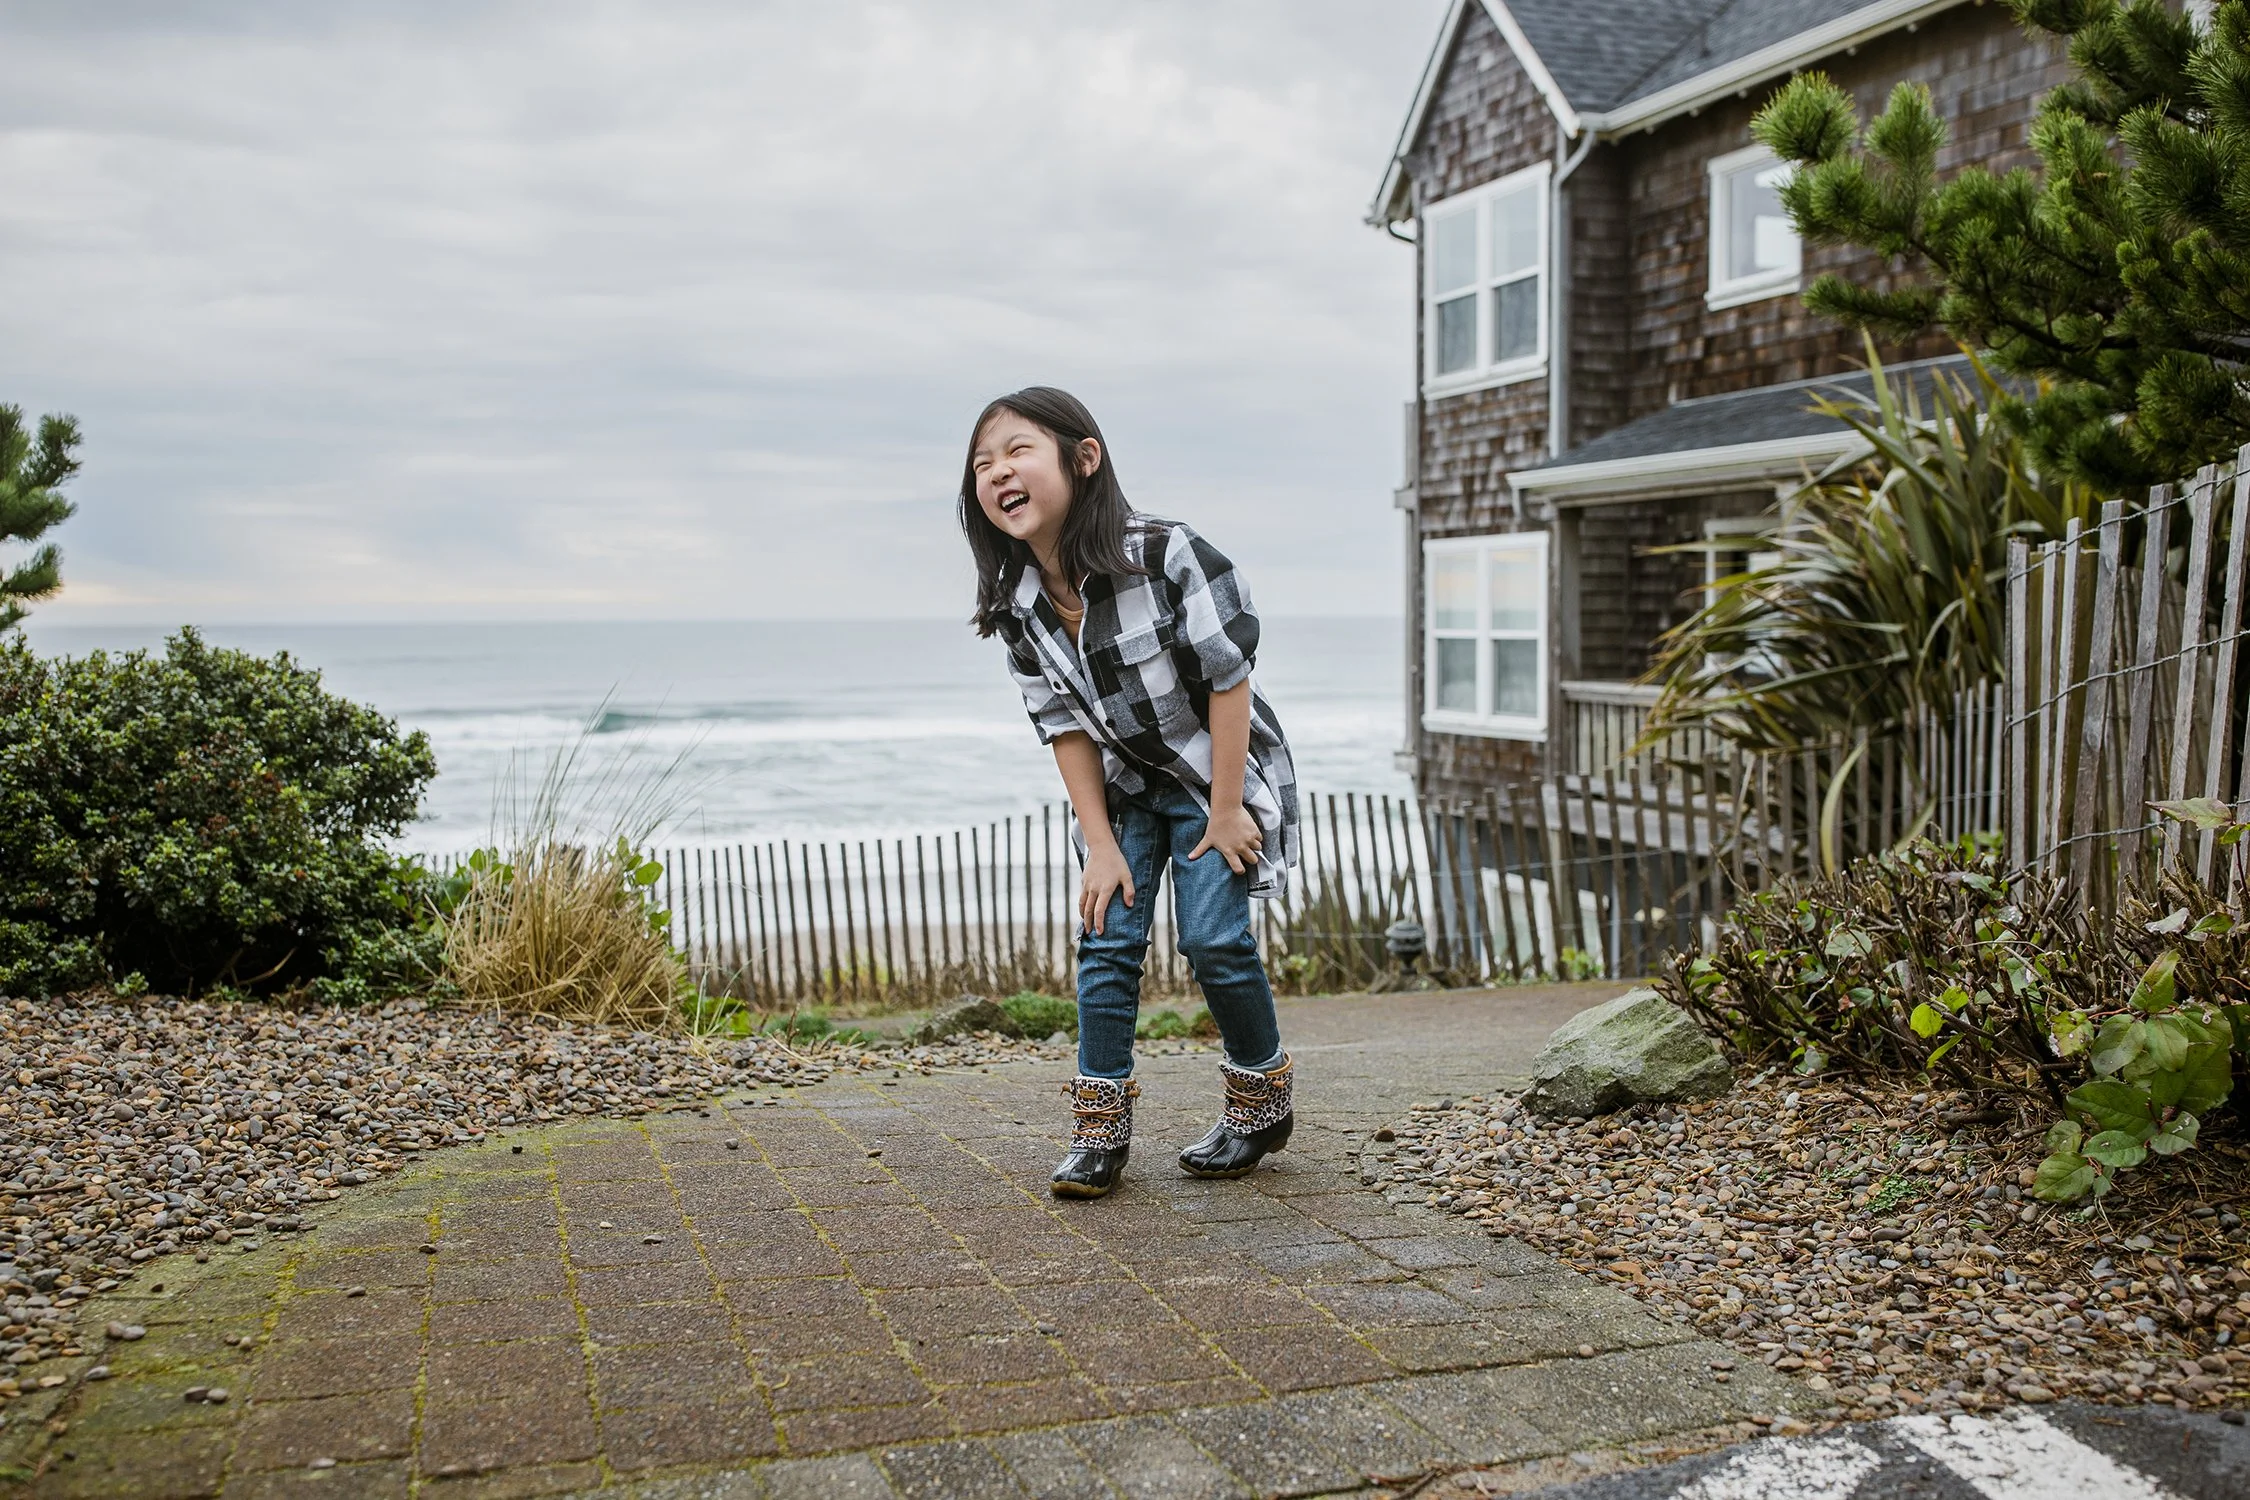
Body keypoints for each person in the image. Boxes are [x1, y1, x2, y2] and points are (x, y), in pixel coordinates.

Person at [959, 386, 1301, 1199]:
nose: (998, 471)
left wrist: (1228, 810)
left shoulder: (1167, 552)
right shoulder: (1018, 604)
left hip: (1210, 775)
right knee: (1107, 941)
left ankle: (1261, 1104)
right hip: (1121, 791)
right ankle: (1098, 1135)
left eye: (1017, 451)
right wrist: (1101, 846)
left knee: (1214, 940)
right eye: (981, 463)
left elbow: (1229, 679)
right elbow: (1063, 728)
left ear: (1084, 458)